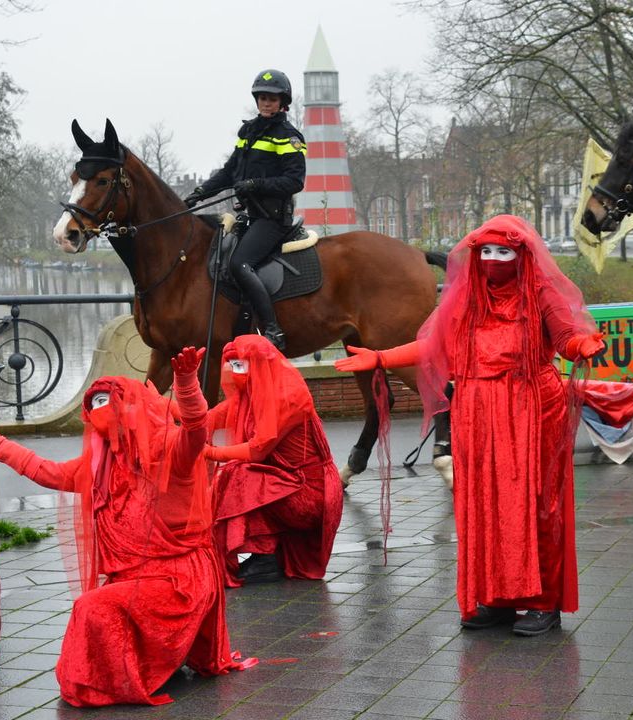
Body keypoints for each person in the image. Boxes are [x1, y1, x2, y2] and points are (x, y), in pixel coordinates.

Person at [334, 215, 604, 637]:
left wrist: (582, 344)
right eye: (486, 252)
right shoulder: (468, 298)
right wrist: (381, 357)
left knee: (534, 505)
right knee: (485, 506)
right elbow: (435, 344)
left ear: (522, 254)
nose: (493, 259)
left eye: (504, 252)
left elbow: (566, 335)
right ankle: (496, 598)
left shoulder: (540, 293)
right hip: (478, 412)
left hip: (530, 408)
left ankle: (542, 601)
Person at [0, 347, 244, 706]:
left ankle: (108, 684)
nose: (99, 410)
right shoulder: (99, 466)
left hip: (178, 580)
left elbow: (196, 431)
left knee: (92, 606)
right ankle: (134, 667)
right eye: (94, 404)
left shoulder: (167, 450)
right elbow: (46, 471)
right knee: (100, 603)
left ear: (129, 406)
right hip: (132, 578)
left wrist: (186, 384)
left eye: (106, 400)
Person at [183, 69, 307, 352]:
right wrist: (201, 193)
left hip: (273, 219)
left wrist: (255, 184)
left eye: (272, 98)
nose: (266, 102)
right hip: (251, 216)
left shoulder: (288, 137)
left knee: (239, 262)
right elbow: (230, 172)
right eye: (262, 98)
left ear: (282, 102)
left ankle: (272, 329)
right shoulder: (248, 132)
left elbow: (295, 181)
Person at [205, 335, 343, 586]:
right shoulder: (251, 394)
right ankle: (265, 554)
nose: (234, 372)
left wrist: (212, 453)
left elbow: (257, 450)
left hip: (308, 492)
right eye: (232, 365)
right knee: (240, 473)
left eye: (239, 365)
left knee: (238, 475)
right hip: (286, 482)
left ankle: (265, 556)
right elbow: (207, 420)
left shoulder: (288, 397)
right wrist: (174, 392)